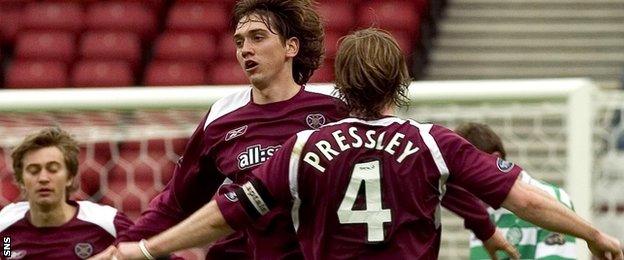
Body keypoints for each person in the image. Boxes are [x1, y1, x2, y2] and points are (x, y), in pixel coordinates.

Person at [107, 28, 623, 260]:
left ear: (342, 84)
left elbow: (229, 209)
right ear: (401, 79)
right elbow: (527, 198)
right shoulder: (431, 143)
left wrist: (150, 249)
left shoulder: (304, 147)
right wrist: (595, 234)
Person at [0, 127, 133, 259]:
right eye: (34, 170)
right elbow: (5, 254)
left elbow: (144, 250)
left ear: (70, 177)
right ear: (21, 180)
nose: (43, 178)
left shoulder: (107, 222)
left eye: (53, 169)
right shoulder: (6, 231)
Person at [455, 122, 578, 260]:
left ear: (495, 160)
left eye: (465, 172)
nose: (459, 184)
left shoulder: (551, 198)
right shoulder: (479, 213)